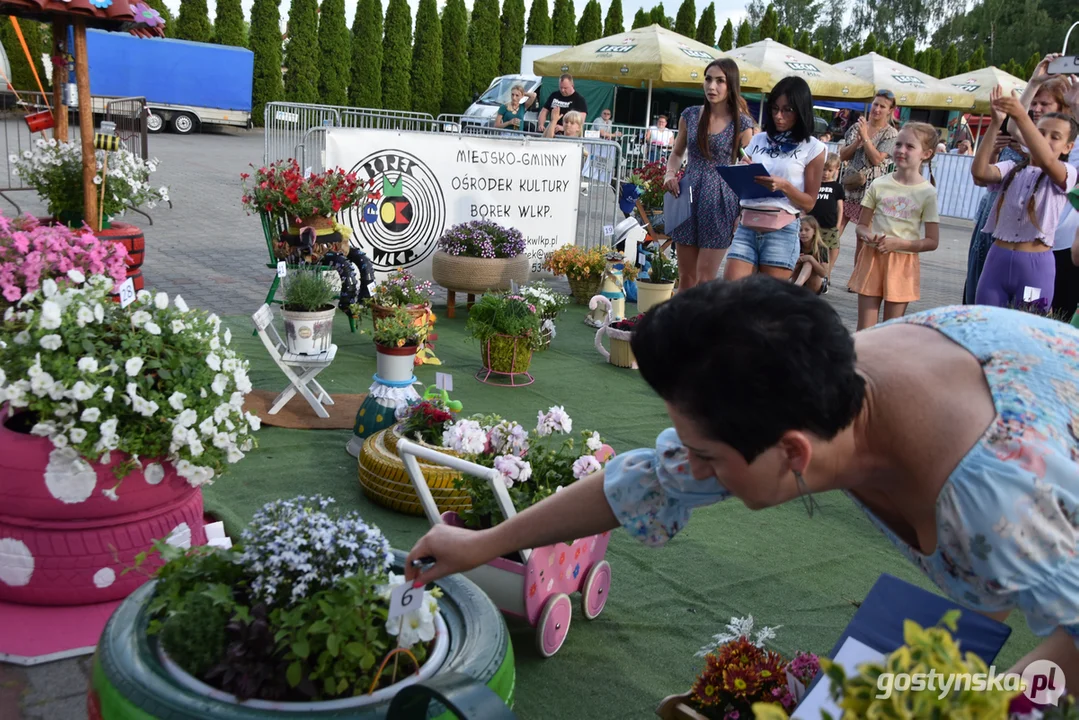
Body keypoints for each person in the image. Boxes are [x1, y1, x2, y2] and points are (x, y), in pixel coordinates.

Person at [406, 276, 1079, 687]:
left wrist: (992, 705)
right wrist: (485, 543)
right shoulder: (817, 381)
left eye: (707, 457)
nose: (689, 468)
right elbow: (647, 480)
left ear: (791, 450)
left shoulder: (996, 505)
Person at [971, 86, 1078, 309]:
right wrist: (994, 124)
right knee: (986, 322)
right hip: (997, 260)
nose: (1045, 139)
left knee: (1028, 329)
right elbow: (979, 173)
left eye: (1054, 137)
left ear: (1068, 147)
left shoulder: (1067, 172)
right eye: (1040, 133)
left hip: (1035, 268)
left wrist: (1020, 115)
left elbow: (1048, 161)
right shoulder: (1012, 168)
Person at [661, 58, 755, 290]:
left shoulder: (742, 123)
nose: (712, 86)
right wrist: (670, 173)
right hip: (687, 194)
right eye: (708, 79)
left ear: (731, 84)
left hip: (720, 200)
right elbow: (676, 153)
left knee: (705, 280)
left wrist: (748, 166)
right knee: (686, 278)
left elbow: (750, 164)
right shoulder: (690, 115)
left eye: (720, 81)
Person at [723, 75, 826, 282]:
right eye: (775, 108)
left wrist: (784, 185)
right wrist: (743, 172)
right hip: (748, 224)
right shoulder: (759, 139)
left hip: (782, 228)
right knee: (731, 296)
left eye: (787, 110)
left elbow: (810, 202)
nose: (779, 116)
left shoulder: (813, 147)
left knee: (769, 303)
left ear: (801, 110)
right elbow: (745, 177)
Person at [849, 122, 940, 330]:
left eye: (910, 146)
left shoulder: (927, 193)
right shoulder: (879, 184)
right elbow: (861, 226)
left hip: (902, 264)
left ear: (926, 154)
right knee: (865, 330)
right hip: (872, 259)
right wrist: (868, 236)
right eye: (898, 144)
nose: (901, 150)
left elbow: (932, 241)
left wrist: (899, 243)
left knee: (891, 330)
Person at [838, 90, 899, 276]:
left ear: (890, 111)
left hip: (870, 191)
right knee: (833, 231)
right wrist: (856, 142)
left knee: (862, 237)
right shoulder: (857, 127)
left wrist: (865, 137)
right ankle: (824, 273)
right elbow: (843, 155)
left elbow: (877, 159)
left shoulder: (891, 134)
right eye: (875, 104)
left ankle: (857, 277)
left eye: (882, 106)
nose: (877, 109)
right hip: (849, 185)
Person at [808, 153, 844, 281]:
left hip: (829, 225)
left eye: (830, 170)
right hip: (813, 225)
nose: (826, 173)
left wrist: (838, 225)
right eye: (823, 169)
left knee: (829, 249)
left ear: (836, 169)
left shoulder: (837, 187)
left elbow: (840, 208)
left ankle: (826, 274)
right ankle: (812, 275)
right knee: (812, 249)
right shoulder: (814, 183)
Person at [792, 216, 829, 294]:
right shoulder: (796, 245)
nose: (803, 233)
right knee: (797, 263)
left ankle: (796, 287)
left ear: (814, 231)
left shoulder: (821, 248)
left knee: (808, 263)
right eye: (800, 230)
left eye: (807, 230)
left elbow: (823, 273)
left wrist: (810, 258)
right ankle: (794, 286)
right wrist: (798, 260)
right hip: (796, 277)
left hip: (814, 285)